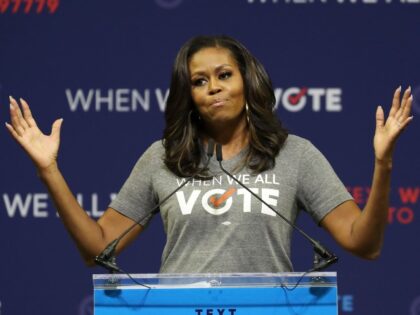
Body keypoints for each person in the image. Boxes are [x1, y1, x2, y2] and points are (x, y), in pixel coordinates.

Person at [6, 35, 413, 273]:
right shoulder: (162, 158)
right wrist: (49, 171)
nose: (213, 87)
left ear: (247, 81)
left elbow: (364, 243)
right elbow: (98, 247)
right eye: (199, 81)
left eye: (224, 75)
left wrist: (383, 163)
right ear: (190, 96)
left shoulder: (295, 155)